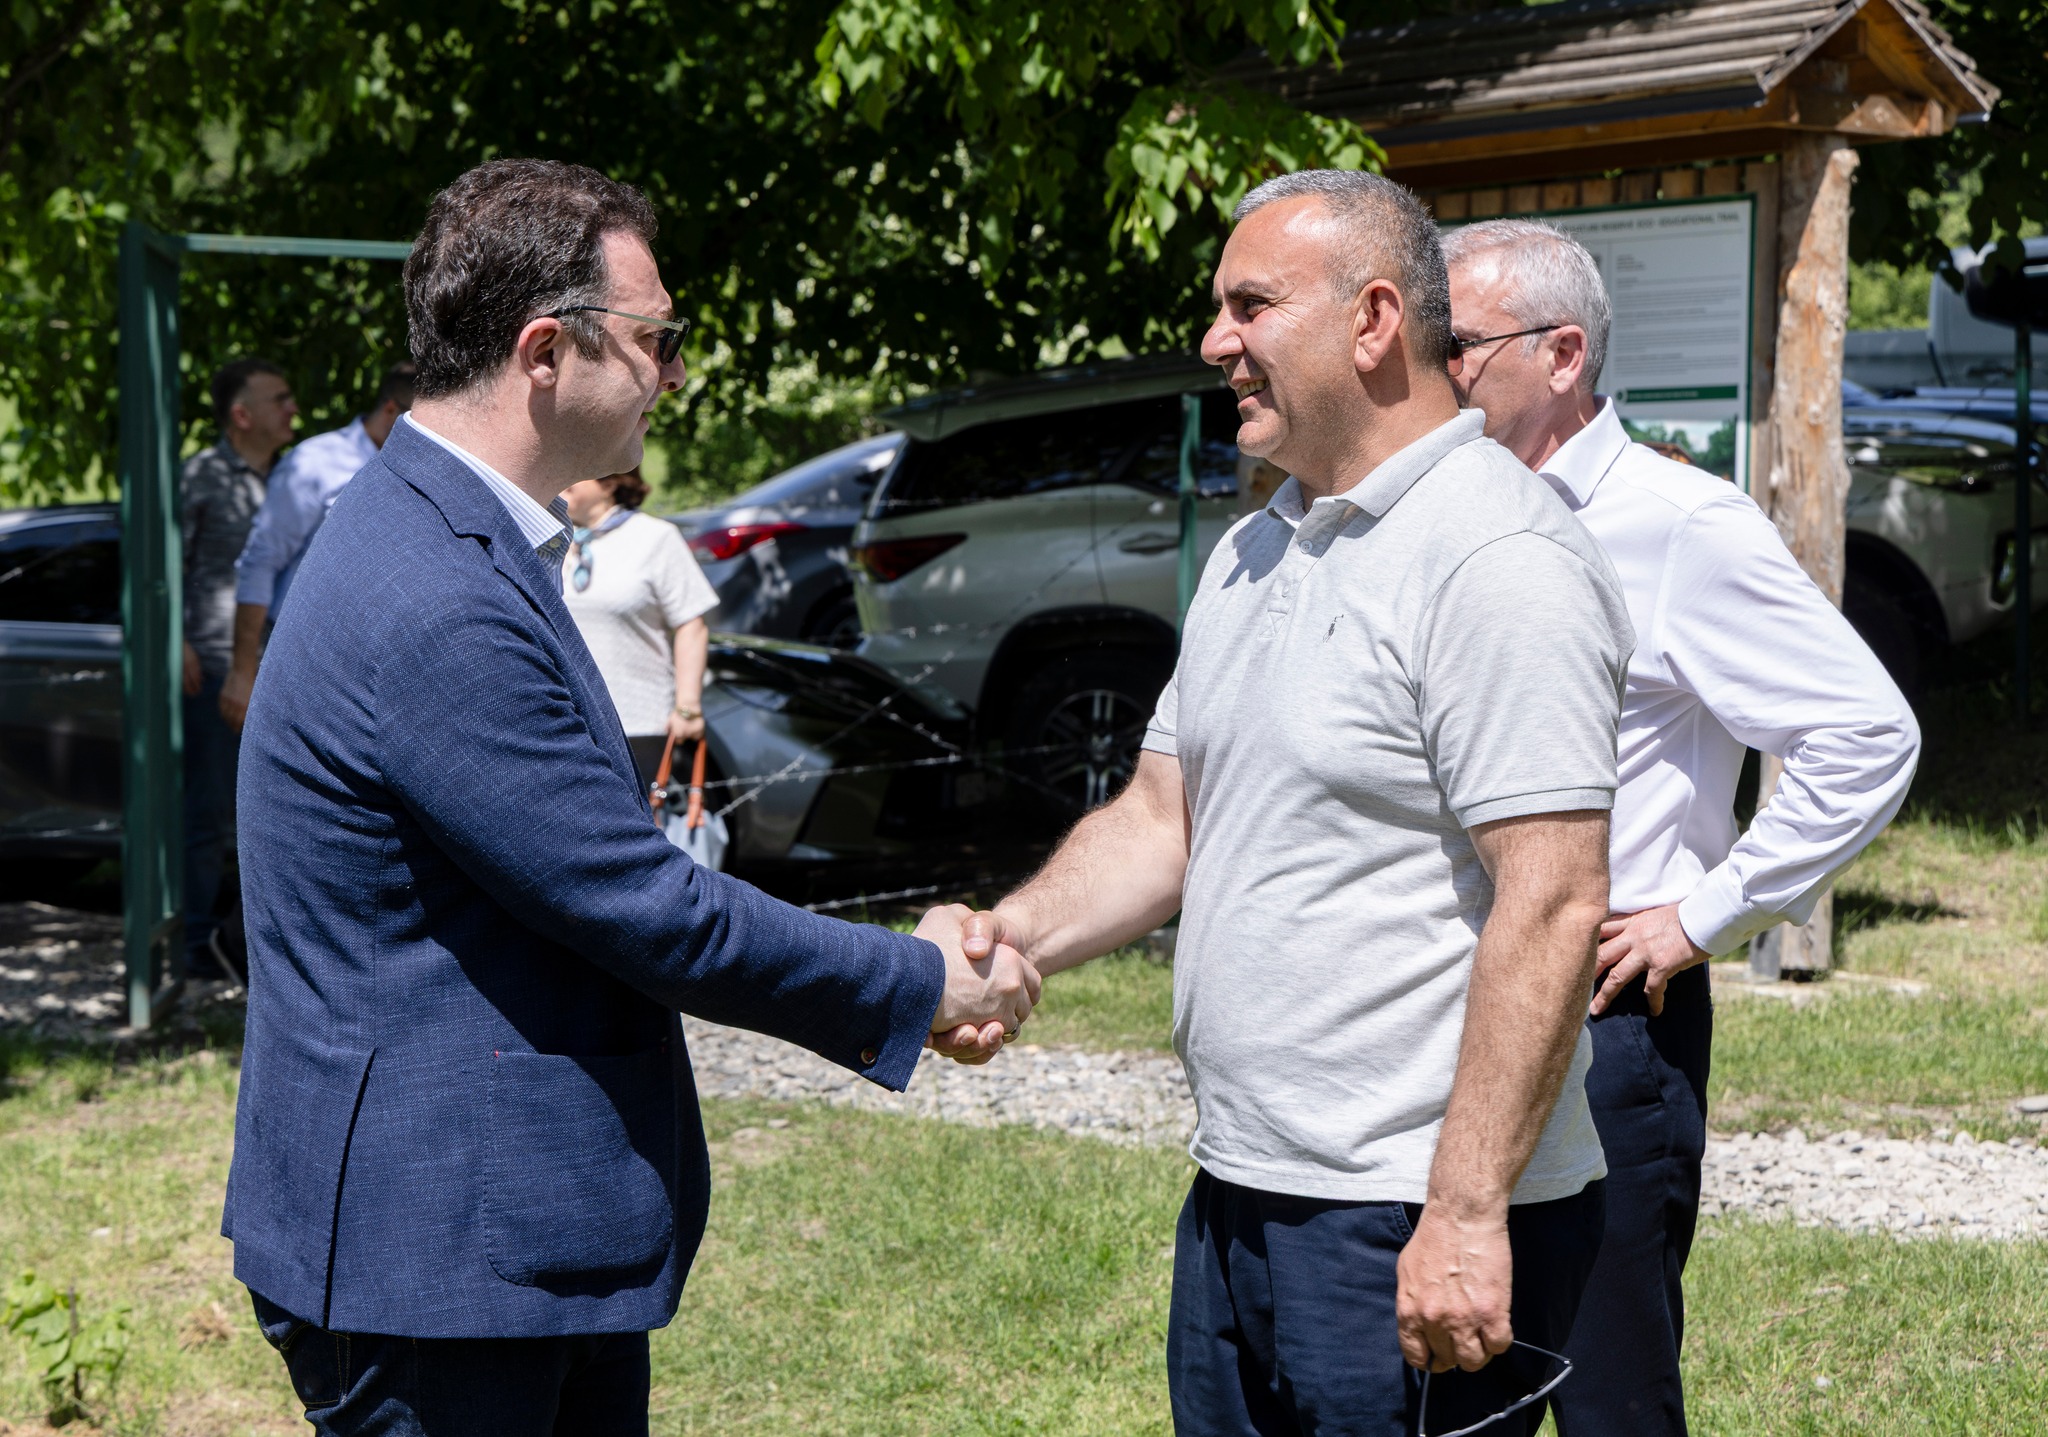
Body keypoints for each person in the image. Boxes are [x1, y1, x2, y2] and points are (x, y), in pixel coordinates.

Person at [222, 158, 1033, 1437]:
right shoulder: (435, 590)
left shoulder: (439, 532)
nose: (673, 371)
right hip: (440, 1269)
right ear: (547, 351)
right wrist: (916, 980)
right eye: (655, 337)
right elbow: (643, 905)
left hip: (484, 1246)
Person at [949, 170, 1634, 1436]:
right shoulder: (1258, 544)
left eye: (1248, 306)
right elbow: (1164, 815)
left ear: (1373, 319)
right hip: (1244, 1184)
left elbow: (1550, 899)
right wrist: (1007, 940)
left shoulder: (1495, 556)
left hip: (1406, 1208)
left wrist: (1464, 1210)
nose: (1215, 343)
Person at [1441, 218, 1920, 1437]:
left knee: (1606, 1388)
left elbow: (1864, 734)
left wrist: (1700, 916)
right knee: (1452, 1379)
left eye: (1456, 345)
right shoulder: (1446, 514)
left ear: (1559, 355)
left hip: (1603, 1010)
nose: (1427, 370)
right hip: (1450, 1006)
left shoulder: (1676, 522)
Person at [218, 363, 417, 730]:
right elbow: (260, 563)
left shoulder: (420, 469)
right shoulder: (315, 462)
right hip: (302, 661)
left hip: (381, 668)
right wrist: (243, 672)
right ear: (392, 410)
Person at [180, 357, 296, 975]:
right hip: (212, 670)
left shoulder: (291, 478)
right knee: (206, 815)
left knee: (269, 817)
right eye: (279, 399)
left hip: (279, 673)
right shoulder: (201, 475)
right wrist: (176, 641)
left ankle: (249, 947)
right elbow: (161, 562)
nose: (293, 409)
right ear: (241, 415)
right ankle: (196, 948)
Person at [557, 465, 715, 792]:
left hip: (639, 723)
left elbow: (691, 624)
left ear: (610, 482)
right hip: (568, 724)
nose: (561, 475)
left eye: (574, 471)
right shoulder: (553, 538)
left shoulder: (655, 538)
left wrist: (688, 707)